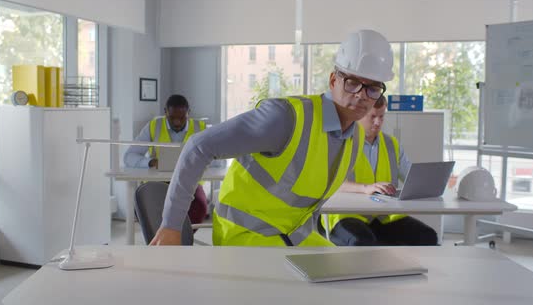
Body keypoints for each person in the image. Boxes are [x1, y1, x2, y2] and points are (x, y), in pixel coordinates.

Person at [149, 30, 395, 246]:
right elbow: (197, 146)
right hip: (245, 235)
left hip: (293, 235)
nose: (362, 95)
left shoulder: (353, 139)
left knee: (349, 277)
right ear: (333, 80)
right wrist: (171, 227)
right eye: (352, 83)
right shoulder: (286, 118)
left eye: (372, 88)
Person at [320, 96, 438, 246]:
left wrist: (428, 183)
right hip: (346, 215)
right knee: (362, 242)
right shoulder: (341, 141)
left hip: (383, 216)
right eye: (373, 117)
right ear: (360, 114)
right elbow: (331, 181)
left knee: (426, 236)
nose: (377, 122)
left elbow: (410, 176)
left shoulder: (391, 144)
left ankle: (408, 270)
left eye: (381, 117)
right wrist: (365, 188)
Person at [124, 94, 208, 224]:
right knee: (144, 207)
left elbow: (219, 161)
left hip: (191, 182)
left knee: (199, 207)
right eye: (172, 118)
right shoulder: (153, 126)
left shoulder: (201, 128)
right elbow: (129, 156)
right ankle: (163, 239)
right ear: (165, 112)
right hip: (158, 181)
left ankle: (179, 240)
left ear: (188, 113)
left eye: (181, 118)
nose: (177, 122)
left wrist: (199, 161)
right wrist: (150, 162)